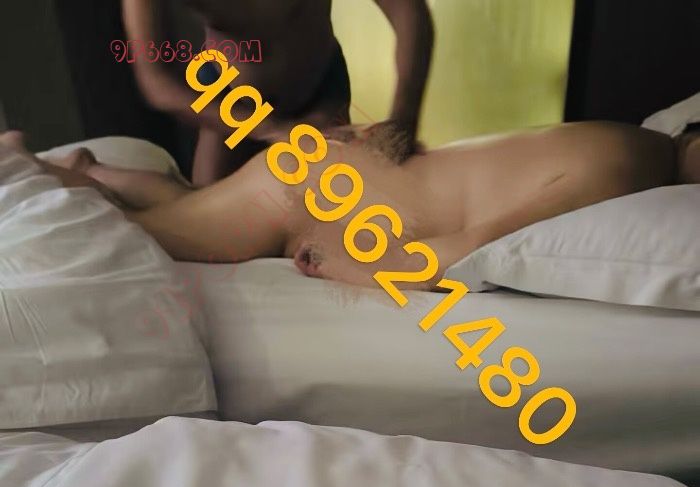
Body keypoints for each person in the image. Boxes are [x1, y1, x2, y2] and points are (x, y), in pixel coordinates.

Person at [4, 121, 698, 291]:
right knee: (149, 233)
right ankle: (18, 166)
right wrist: (347, 265)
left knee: (193, 205)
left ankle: (87, 167)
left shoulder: (637, 141)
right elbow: (470, 250)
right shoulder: (622, 167)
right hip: (318, 189)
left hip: (338, 171)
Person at [122, 0, 434, 184]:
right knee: (201, 230)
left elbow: (407, 9)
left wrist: (404, 119)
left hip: (320, 92)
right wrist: (271, 129)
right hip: (229, 103)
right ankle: (102, 178)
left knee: (355, 214)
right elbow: (157, 83)